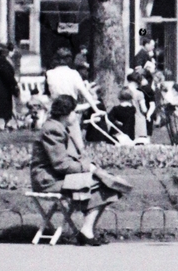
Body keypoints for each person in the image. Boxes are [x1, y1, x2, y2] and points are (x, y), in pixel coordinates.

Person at [31, 93, 122, 244]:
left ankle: (87, 231)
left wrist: (91, 166)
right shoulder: (53, 129)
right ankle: (86, 232)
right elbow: (61, 164)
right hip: (48, 180)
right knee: (104, 184)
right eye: (75, 111)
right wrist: (89, 168)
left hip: (58, 177)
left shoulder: (58, 127)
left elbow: (68, 159)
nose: (77, 115)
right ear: (66, 113)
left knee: (109, 183)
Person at [44, 45, 90, 149]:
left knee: (55, 143)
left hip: (55, 112)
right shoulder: (74, 74)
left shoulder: (49, 73)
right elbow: (85, 92)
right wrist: (95, 107)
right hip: (70, 110)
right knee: (78, 144)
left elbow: (48, 94)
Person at [0, 42, 19, 130]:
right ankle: (1, 124)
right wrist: (14, 86)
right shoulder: (2, 62)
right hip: (2, 89)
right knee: (2, 109)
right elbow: (8, 75)